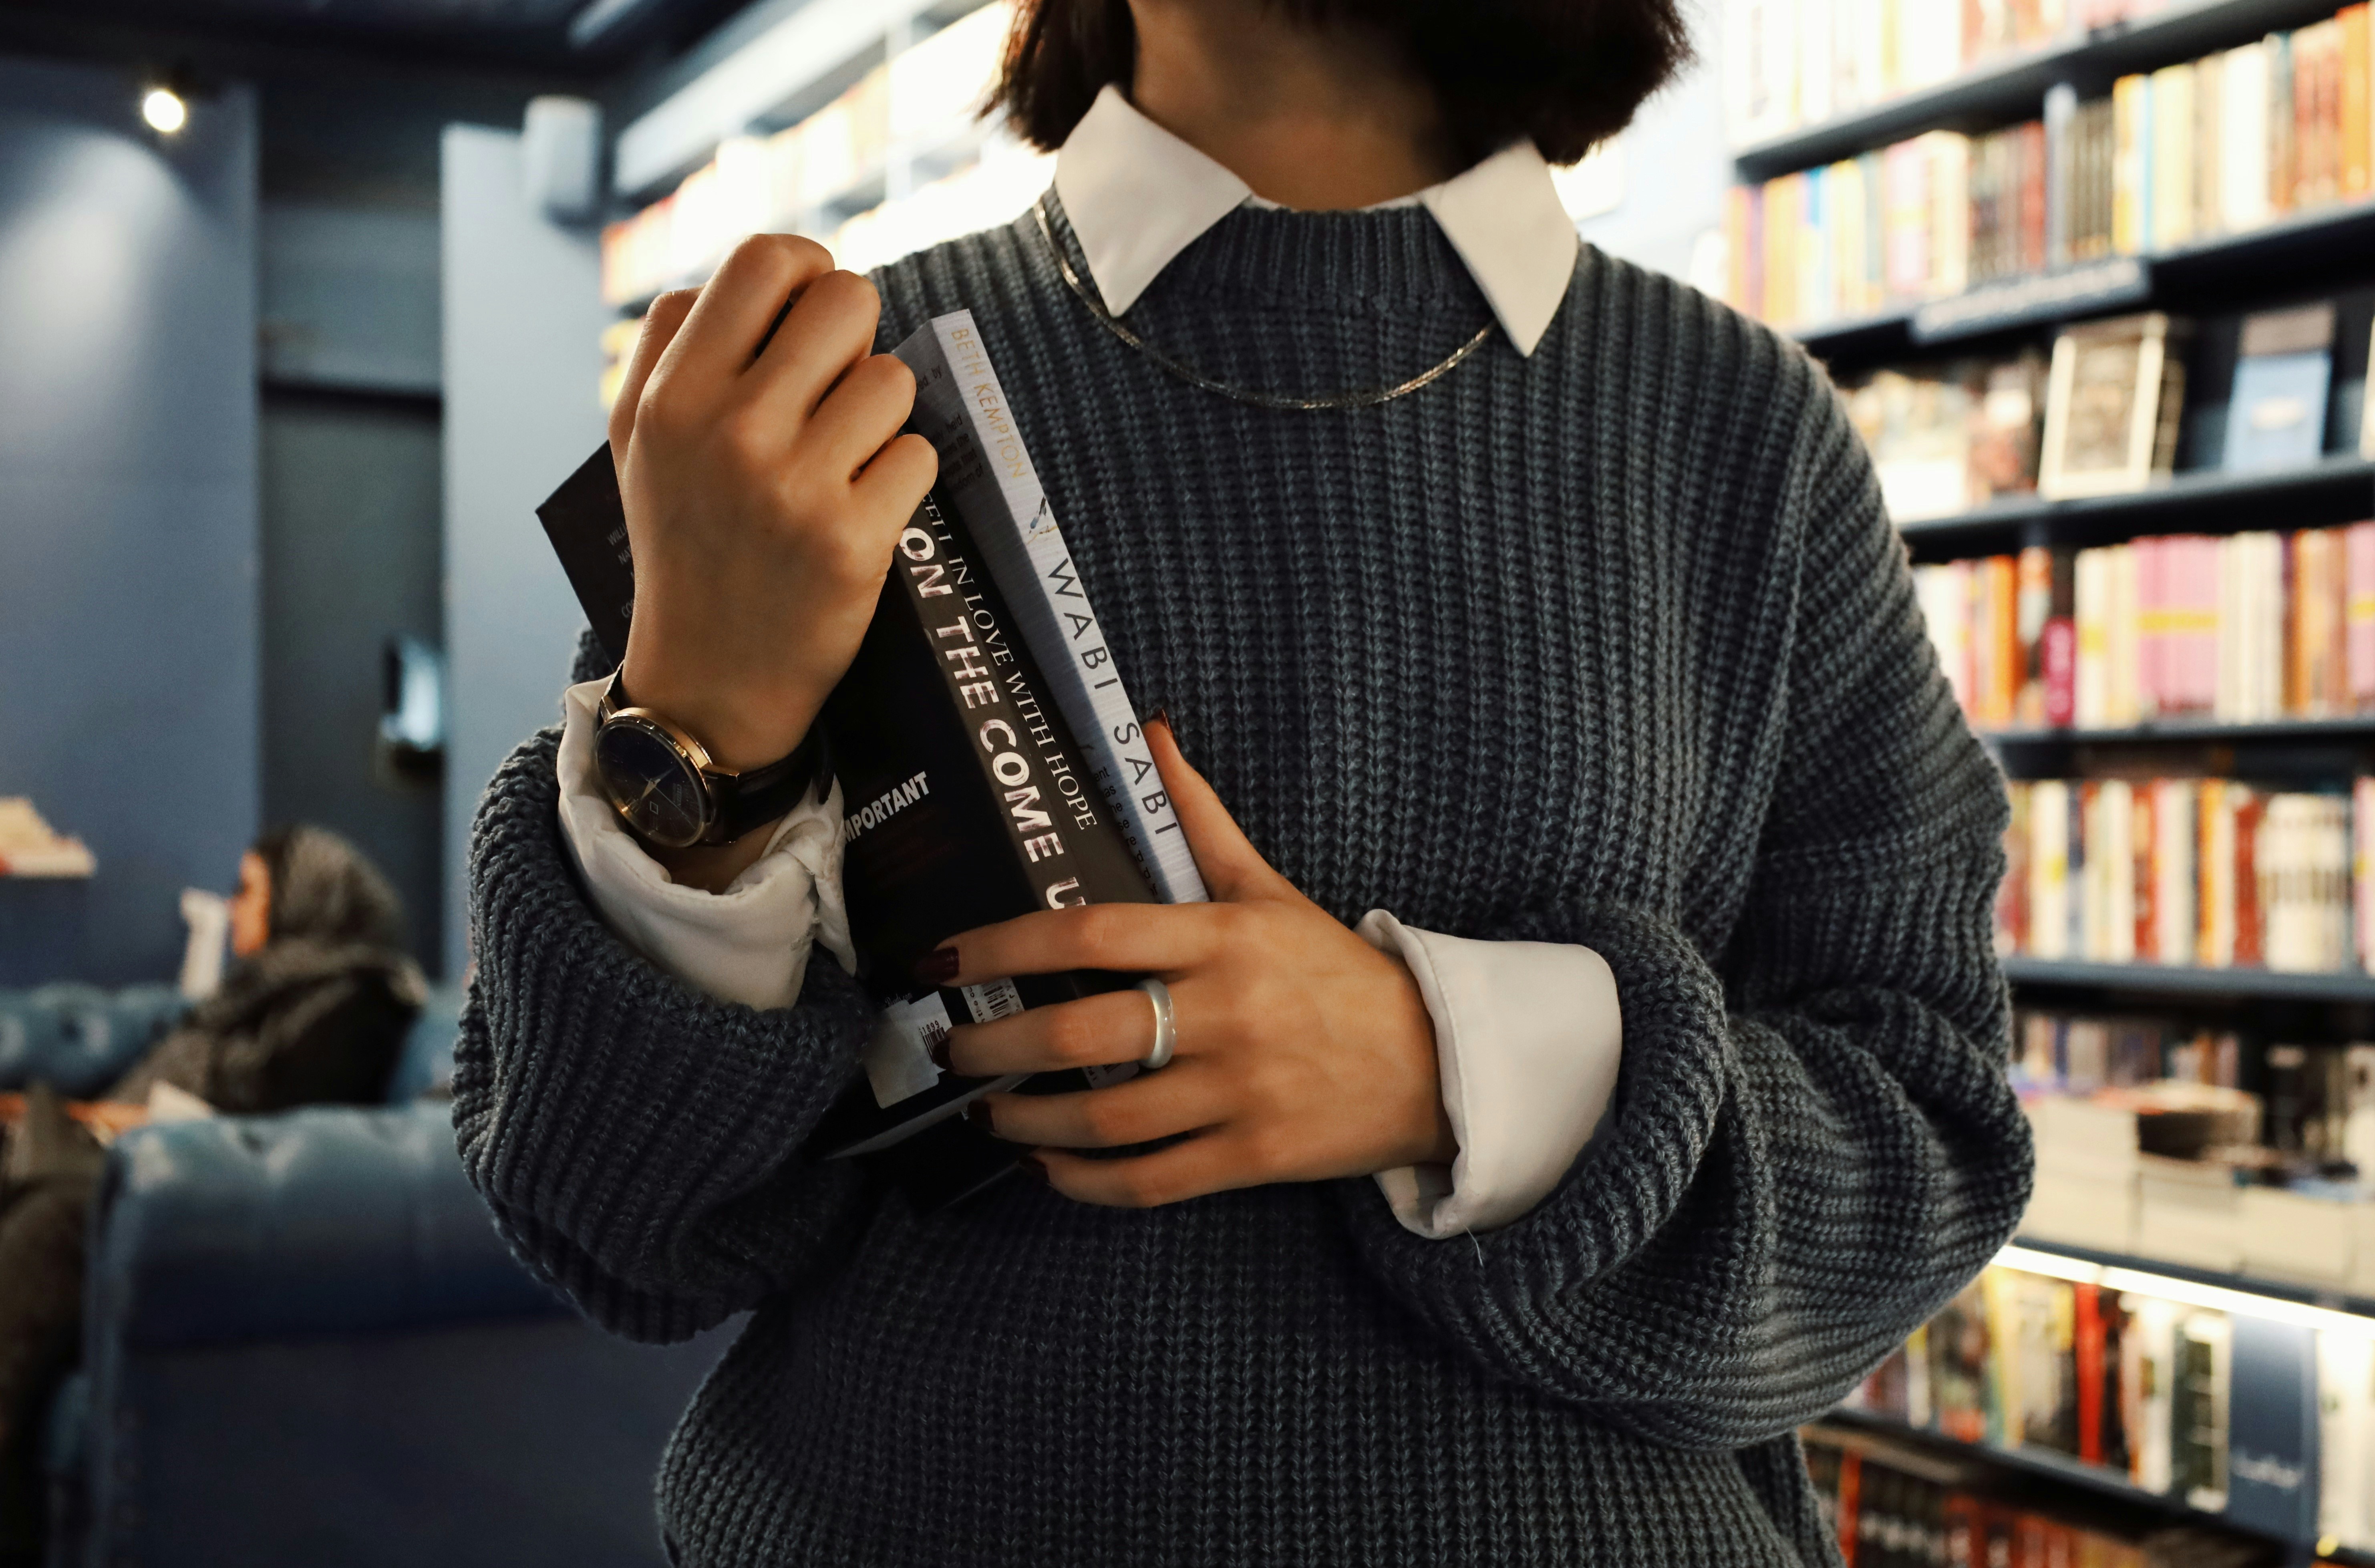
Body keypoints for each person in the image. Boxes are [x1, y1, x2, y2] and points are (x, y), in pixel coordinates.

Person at [455, 0, 2035, 1561]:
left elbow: (1925, 1135)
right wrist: (707, 723)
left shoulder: (1743, 435)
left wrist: (1442, 1069)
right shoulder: (819, 421)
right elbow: (615, 1225)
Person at [0, 825, 423, 1562]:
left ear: (304, 898)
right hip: (137, 1163)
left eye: (248, 890)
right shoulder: (253, 990)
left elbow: (273, 1127)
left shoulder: (355, 1001)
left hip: (196, 1193)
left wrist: (93, 1125)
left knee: (52, 1219)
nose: (232, 911)